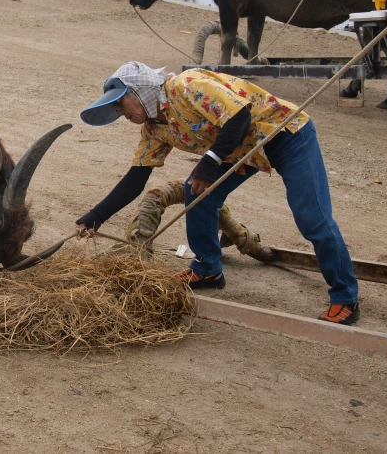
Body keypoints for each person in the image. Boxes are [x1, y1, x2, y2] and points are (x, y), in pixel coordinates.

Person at [76, 61, 360, 325]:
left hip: (284, 135)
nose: (119, 113)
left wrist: (209, 162)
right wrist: (96, 216)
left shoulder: (186, 86)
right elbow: (137, 178)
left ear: (140, 91)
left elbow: (241, 117)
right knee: (196, 192)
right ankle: (208, 267)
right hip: (240, 150)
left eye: (120, 103)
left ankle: (345, 296)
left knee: (312, 217)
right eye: (114, 108)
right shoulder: (154, 128)